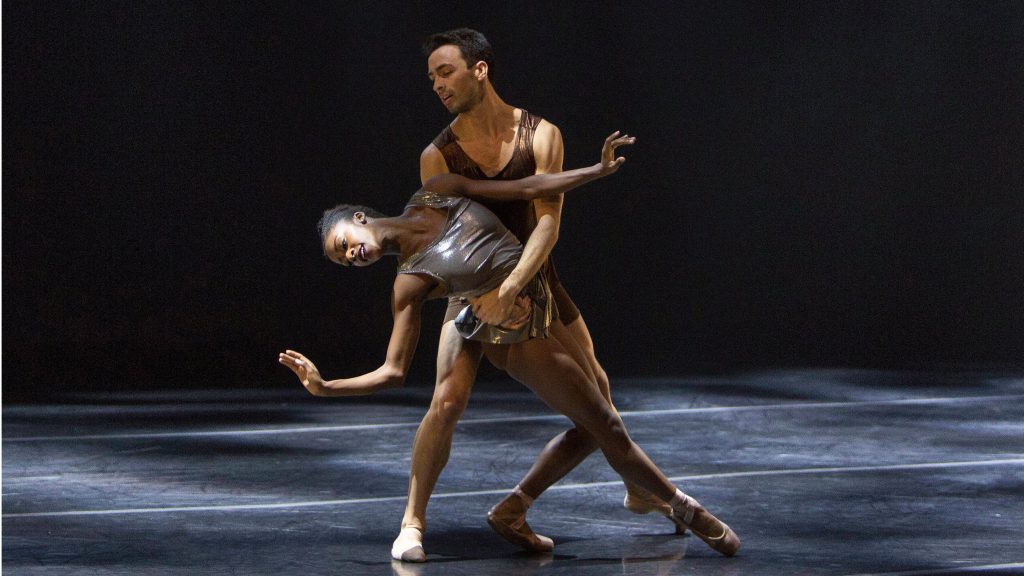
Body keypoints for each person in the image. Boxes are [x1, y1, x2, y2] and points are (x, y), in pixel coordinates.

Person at [278, 133, 741, 560]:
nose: (350, 256)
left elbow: (525, 189)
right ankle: (686, 509)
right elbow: (394, 371)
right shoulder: (407, 283)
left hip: (540, 292)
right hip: (511, 332)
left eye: (344, 243)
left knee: (600, 412)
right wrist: (326, 388)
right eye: (342, 260)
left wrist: (594, 172)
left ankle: (516, 508)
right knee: (601, 424)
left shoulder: (436, 190)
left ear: (359, 219)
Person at [399, 28, 682, 562]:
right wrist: (489, 294)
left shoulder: (541, 134)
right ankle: (412, 522)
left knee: (598, 398)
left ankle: (528, 503)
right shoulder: (437, 157)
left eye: (446, 72)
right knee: (447, 399)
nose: (437, 85)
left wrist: (514, 287)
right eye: (432, 77)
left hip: (534, 282)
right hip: (472, 291)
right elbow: (448, 243)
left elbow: (546, 226)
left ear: (479, 69)